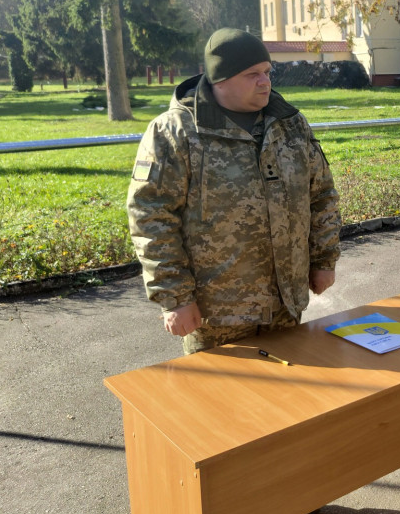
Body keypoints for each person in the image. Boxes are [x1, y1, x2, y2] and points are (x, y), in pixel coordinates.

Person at [127, 27, 341, 355]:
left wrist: (323, 259)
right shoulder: (175, 133)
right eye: (252, 74)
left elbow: (321, 193)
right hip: (216, 316)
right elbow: (151, 218)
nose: (265, 81)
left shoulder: (290, 124)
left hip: (285, 305)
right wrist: (175, 298)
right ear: (219, 80)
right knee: (219, 402)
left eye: (267, 72)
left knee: (290, 400)